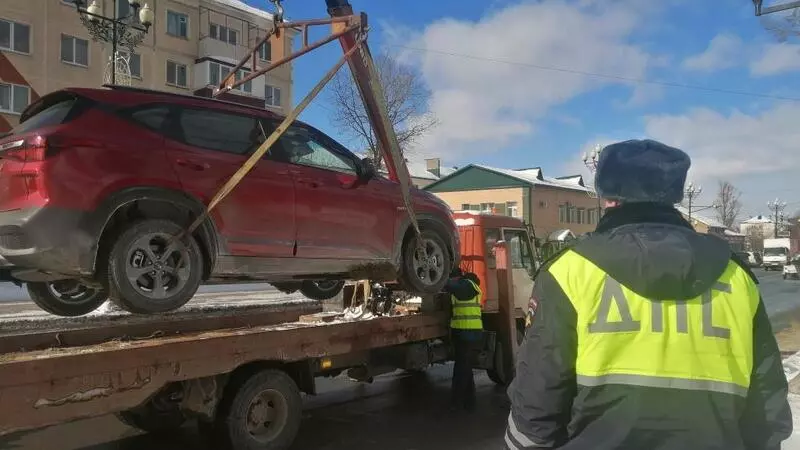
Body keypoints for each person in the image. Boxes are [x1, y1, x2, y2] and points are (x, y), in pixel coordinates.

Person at [505, 139, 792, 450]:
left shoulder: (570, 271)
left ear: (608, 198)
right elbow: (766, 405)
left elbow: (538, 398)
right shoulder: (735, 276)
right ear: (673, 196)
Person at [445, 267, 483, 412]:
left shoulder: (468, 286)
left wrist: (441, 279)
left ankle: (457, 402)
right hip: (464, 333)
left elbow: (451, 286)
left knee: (461, 369)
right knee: (466, 368)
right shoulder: (465, 287)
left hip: (469, 333)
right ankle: (470, 401)